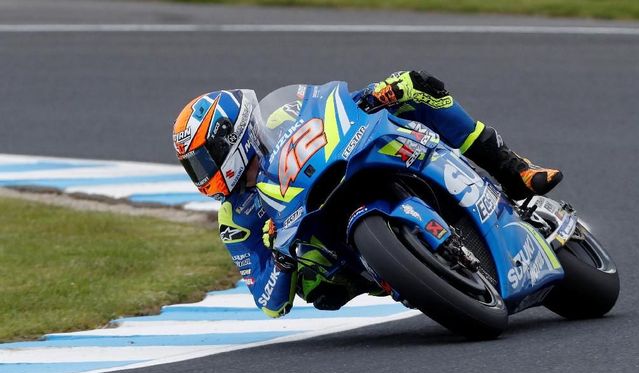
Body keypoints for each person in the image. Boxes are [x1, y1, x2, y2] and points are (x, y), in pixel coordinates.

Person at [172, 71, 562, 318]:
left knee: (416, 86)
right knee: (318, 284)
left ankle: (514, 171)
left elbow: (329, 107)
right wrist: (279, 260)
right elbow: (269, 303)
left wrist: (377, 94)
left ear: (232, 136)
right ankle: (406, 272)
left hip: (342, 166)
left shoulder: (278, 117)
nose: (203, 175)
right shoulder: (234, 219)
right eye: (196, 168)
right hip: (321, 247)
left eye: (205, 162)